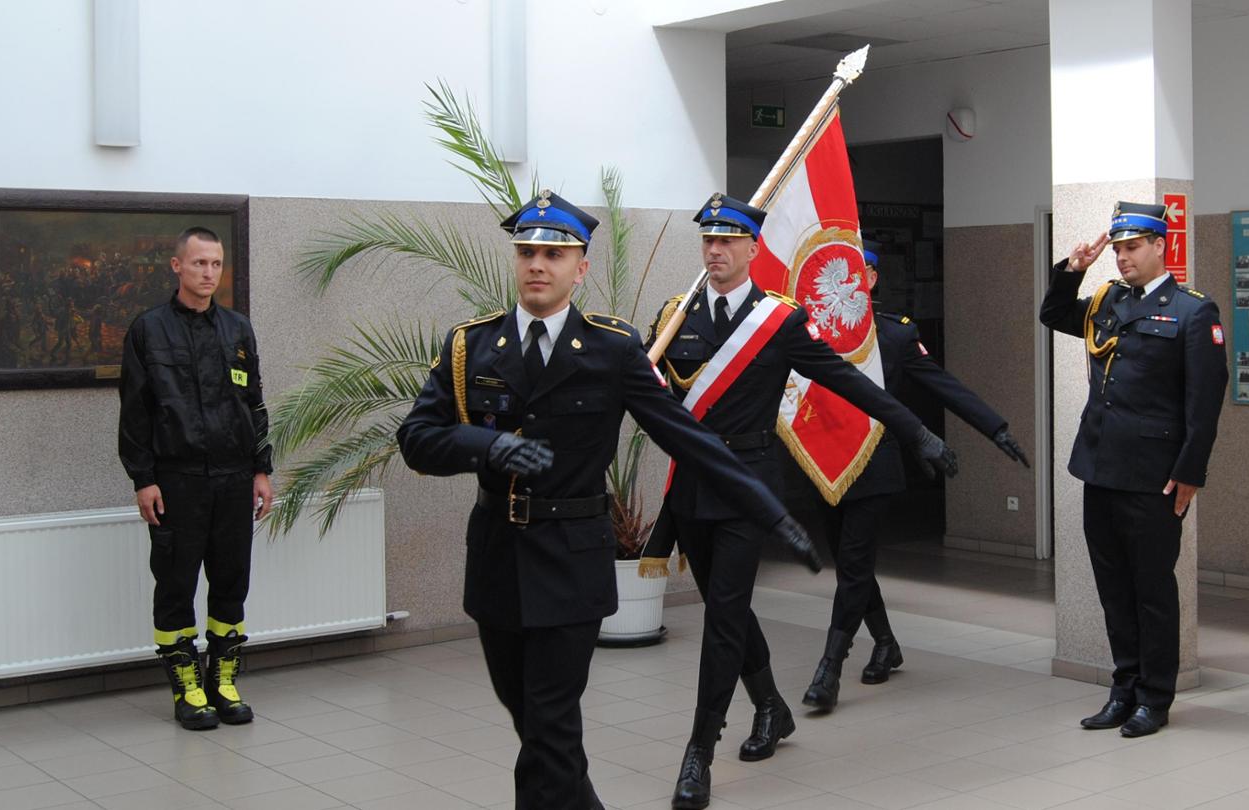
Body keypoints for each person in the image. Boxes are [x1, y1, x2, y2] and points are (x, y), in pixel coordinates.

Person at [396, 190, 819, 810]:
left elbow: (689, 438)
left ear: (581, 269)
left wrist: (770, 510)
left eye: (554, 254)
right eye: (527, 252)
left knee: (549, 723)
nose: (537, 264)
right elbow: (416, 439)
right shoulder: (472, 347)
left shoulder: (611, 349)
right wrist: (484, 446)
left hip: (571, 559)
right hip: (497, 560)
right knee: (535, 727)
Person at [642, 193, 957, 809]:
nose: (715, 250)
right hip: (691, 487)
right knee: (727, 610)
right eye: (708, 240)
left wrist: (916, 430)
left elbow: (846, 379)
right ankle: (769, 706)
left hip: (748, 488)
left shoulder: (779, 320)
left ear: (753, 250)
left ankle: (698, 751)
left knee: (723, 616)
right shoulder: (675, 316)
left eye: (728, 241)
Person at [800, 246, 1029, 711]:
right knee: (850, 565)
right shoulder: (813, 333)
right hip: (825, 463)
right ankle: (886, 642)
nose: (847, 280)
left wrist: (994, 427)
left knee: (855, 561)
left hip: (876, 462)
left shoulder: (895, 335)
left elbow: (942, 385)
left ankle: (830, 667)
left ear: (873, 276)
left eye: (857, 271)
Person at [1038, 201, 1226, 738]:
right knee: (1112, 586)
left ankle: (1155, 697)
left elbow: (1205, 401)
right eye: (1118, 249)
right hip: (1099, 465)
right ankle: (1123, 689)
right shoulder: (1107, 300)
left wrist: (1191, 471)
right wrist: (1072, 269)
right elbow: (1054, 316)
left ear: (1159, 246)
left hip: (1155, 475)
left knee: (1151, 589)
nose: (1123, 258)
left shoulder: (1192, 311)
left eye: (1132, 247)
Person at [117, 226, 273, 731]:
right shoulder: (149, 330)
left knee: (231, 581)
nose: (209, 273)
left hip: (232, 479)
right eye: (200, 263)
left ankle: (223, 680)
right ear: (177, 266)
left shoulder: (237, 330)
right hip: (176, 480)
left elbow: (254, 404)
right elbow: (135, 414)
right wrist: (143, 479)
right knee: (176, 584)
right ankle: (187, 688)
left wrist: (261, 469)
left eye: (216, 264)